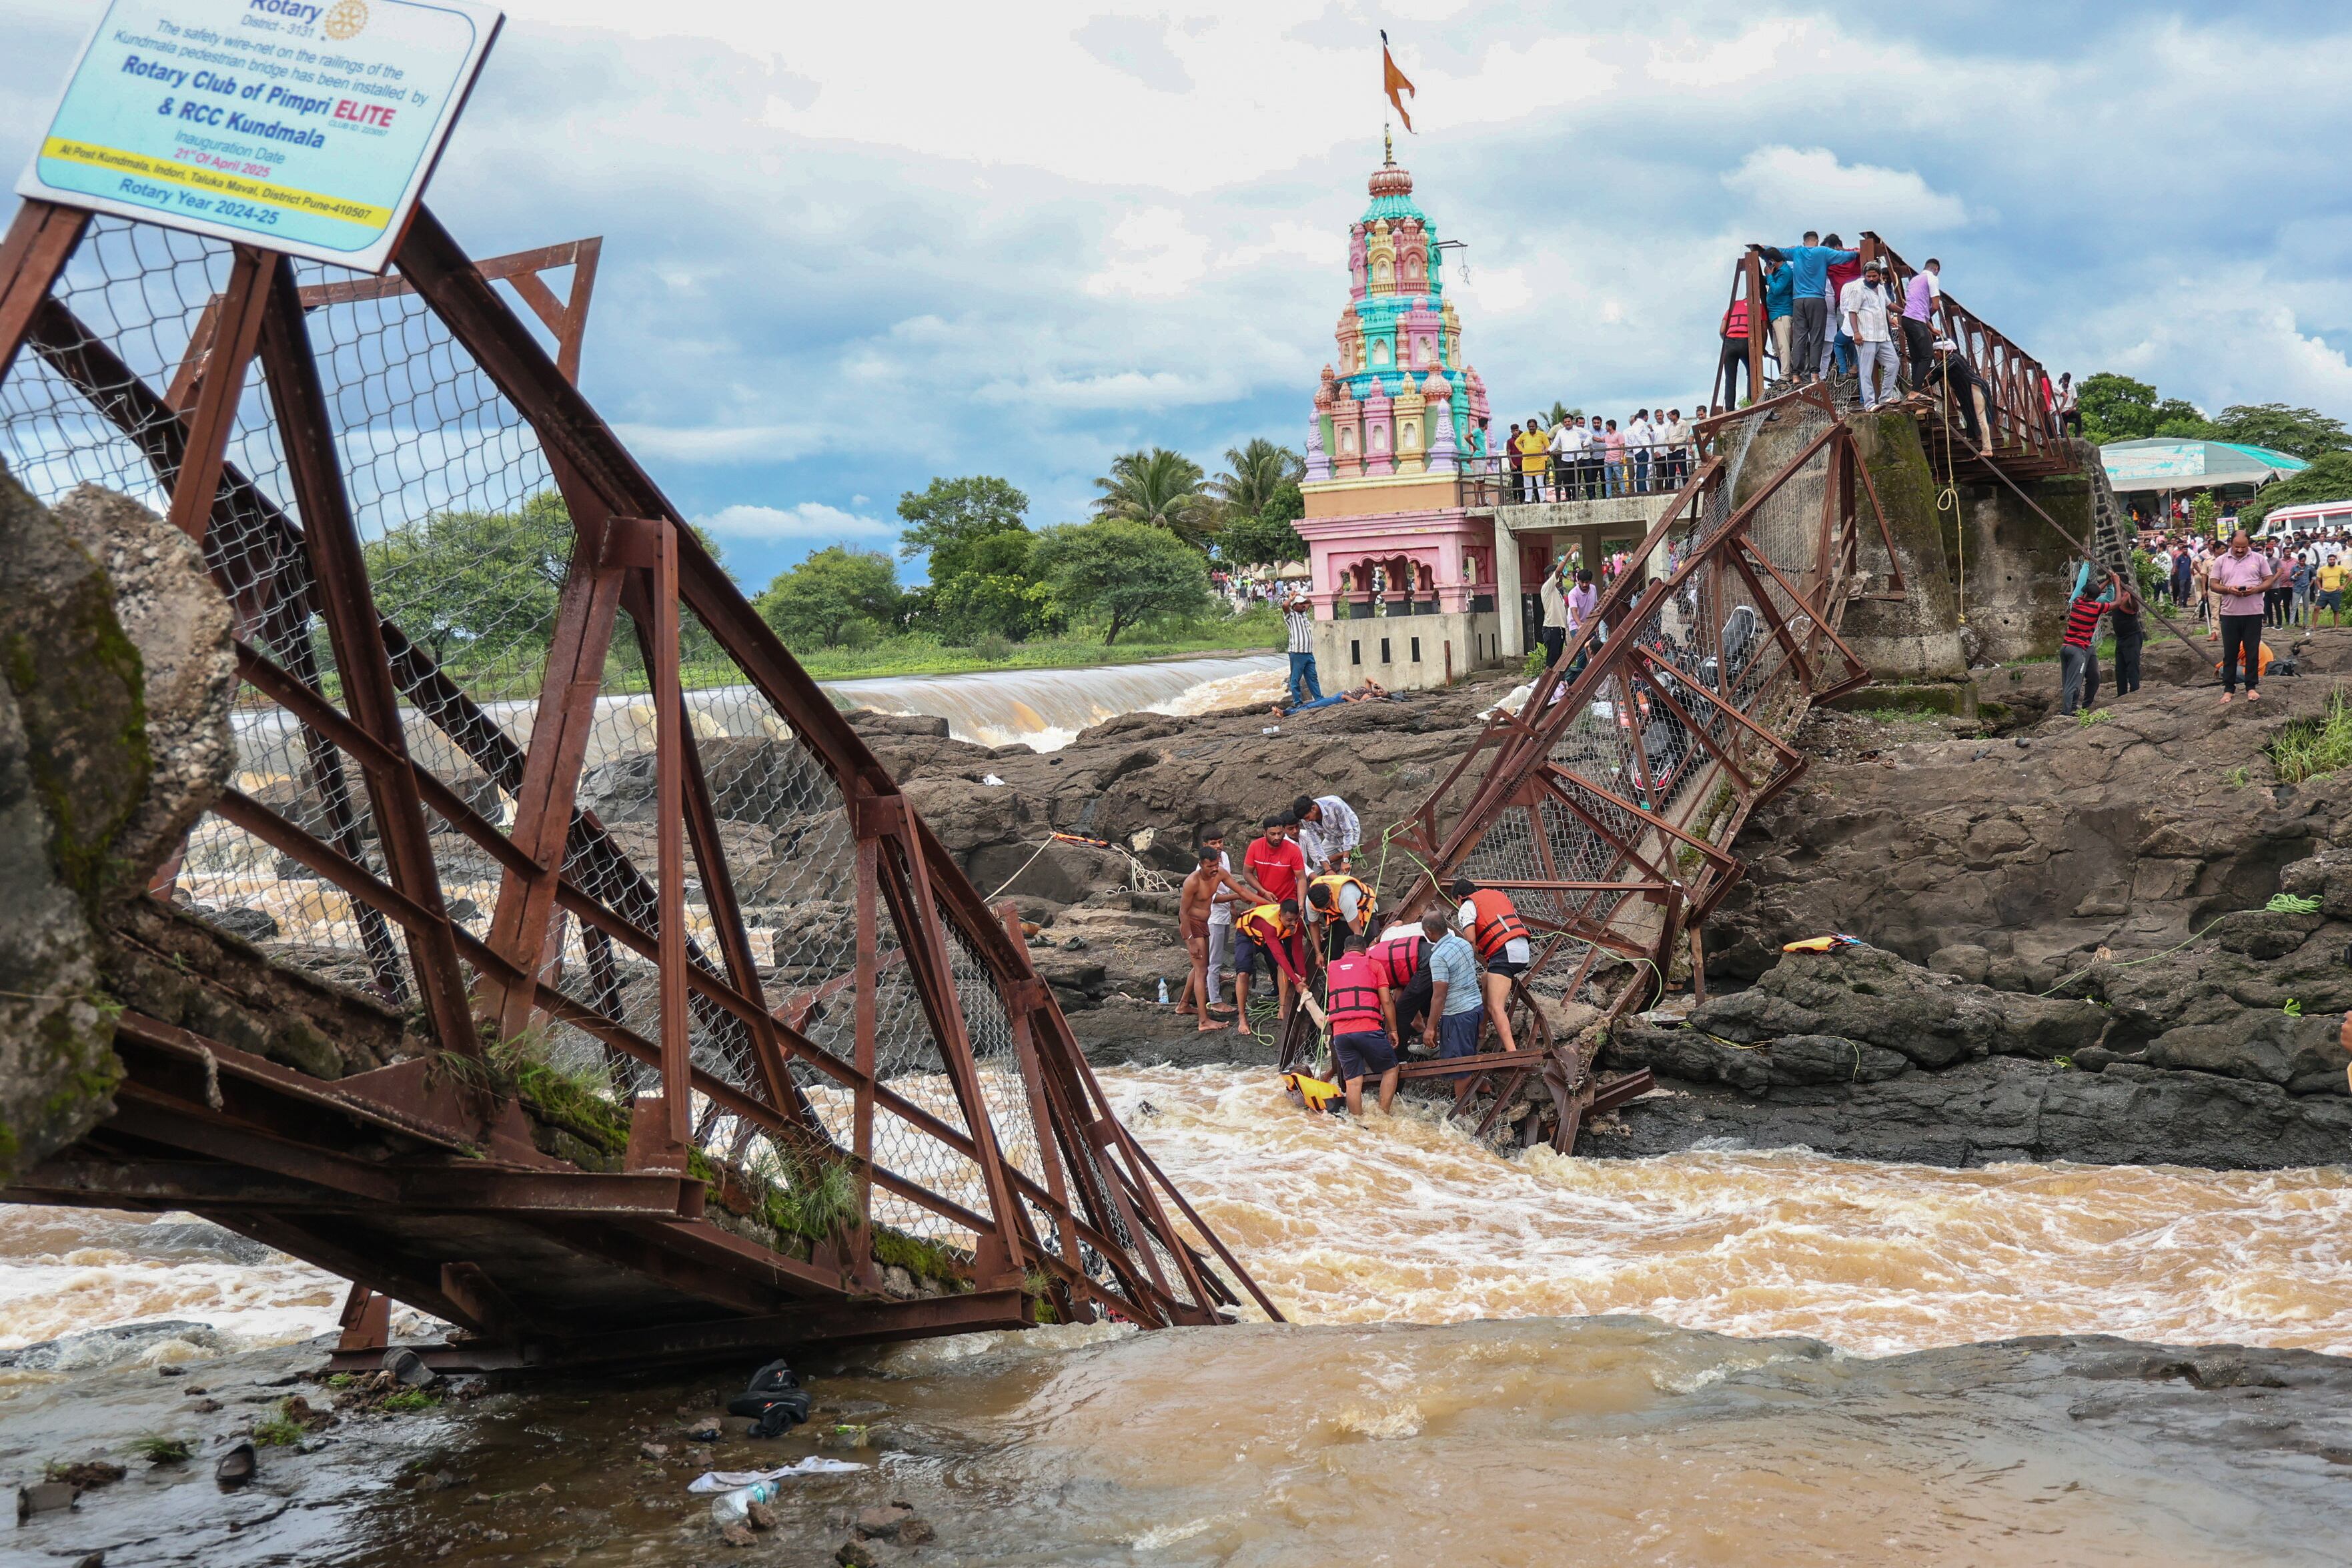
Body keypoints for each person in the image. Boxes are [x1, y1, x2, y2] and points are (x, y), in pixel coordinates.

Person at [1179, 846, 1265, 1032]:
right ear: (1201, 864)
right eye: (1210, 866)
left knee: (1201, 966)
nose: (1214, 869)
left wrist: (1268, 901)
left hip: (1204, 923)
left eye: (1216, 865)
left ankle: (1183, 1005)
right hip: (1192, 926)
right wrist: (1190, 941)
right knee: (1202, 971)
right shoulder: (1192, 882)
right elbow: (1183, 913)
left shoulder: (1220, 874)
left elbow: (1241, 890)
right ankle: (1203, 1021)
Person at [1322, 931, 1400, 1115]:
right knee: (1391, 1069)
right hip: (1368, 1029)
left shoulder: (1332, 967)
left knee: (1353, 1082)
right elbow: (1386, 1001)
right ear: (1365, 950)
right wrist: (1393, 1029)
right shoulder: (1374, 965)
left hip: (1340, 1033)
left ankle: (1357, 1123)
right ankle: (1383, 1115)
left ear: (1344, 951)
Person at [1768, 231, 1858, 387]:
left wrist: (1763, 248)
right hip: (1817, 299)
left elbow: (1777, 252)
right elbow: (1844, 257)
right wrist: (1856, 253)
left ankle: (1796, 375)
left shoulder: (1797, 251)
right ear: (1816, 242)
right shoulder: (1823, 252)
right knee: (1817, 338)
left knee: (1800, 338)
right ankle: (1815, 375)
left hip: (1798, 300)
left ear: (1804, 242)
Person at [1451, 878, 1528, 1054]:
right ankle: (1481, 1029)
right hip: (1522, 950)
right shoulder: (1497, 895)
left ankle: (1512, 1052)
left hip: (1504, 953)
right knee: (1486, 978)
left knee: (1495, 1006)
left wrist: (1468, 962)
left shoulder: (1467, 905)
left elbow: (1470, 939)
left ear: (1460, 898)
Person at [2211, 530, 2285, 704]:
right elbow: (2213, 584)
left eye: (2243, 547)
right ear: (2231, 543)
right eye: (2236, 547)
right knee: (2230, 653)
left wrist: (2256, 589)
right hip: (2229, 613)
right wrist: (2229, 589)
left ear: (2249, 544)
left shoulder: (2258, 559)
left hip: (2253, 613)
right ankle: (2229, 689)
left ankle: (2251, 687)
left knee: (2252, 651)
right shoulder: (2221, 560)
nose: (2240, 550)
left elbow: (2269, 580)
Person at [1420, 906, 1484, 1060]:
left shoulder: (1439, 957)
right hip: (1475, 1009)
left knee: (1457, 1065)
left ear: (1429, 931)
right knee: (1469, 1059)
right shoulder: (1463, 943)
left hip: (1457, 1016)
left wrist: (1430, 1028)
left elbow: (1439, 996)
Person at [1233, 898, 1307, 1025]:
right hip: (1248, 937)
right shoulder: (1269, 925)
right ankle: (1242, 1017)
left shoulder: (1297, 923)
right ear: (1280, 915)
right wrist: (1296, 982)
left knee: (1282, 967)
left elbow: (1297, 949)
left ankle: (1282, 1009)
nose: (1293, 923)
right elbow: (1280, 955)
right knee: (1243, 973)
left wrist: (1303, 974)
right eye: (1289, 920)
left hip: (1267, 939)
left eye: (1295, 919)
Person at [1367, 918, 1433, 1048]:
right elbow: (1398, 922)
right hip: (1428, 953)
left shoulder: (1369, 967)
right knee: (1423, 999)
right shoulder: (1385, 942)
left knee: (1401, 1012)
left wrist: (1391, 1026)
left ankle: (1401, 1053)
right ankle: (1431, 1040)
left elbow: (1386, 1001)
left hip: (1423, 962)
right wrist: (1376, 939)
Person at [1841, 259, 1898, 410]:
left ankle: (1885, 397)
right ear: (1864, 276)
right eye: (1868, 276)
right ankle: (1870, 404)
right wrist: (1856, 333)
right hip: (1866, 337)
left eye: (1874, 276)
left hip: (1883, 336)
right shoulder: (1858, 290)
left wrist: (1905, 311)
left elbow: (1889, 305)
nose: (1871, 279)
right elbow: (1852, 312)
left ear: (1879, 276)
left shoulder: (1881, 289)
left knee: (1893, 363)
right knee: (1866, 371)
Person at [2059, 568, 2115, 716]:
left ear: (2084, 594)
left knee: (2085, 678)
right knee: (2074, 683)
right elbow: (2116, 602)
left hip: (2073, 646)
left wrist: (2108, 582)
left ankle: (2080, 707)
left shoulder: (2077, 601)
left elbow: (2096, 593)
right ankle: (2067, 712)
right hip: (2078, 648)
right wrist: (2115, 582)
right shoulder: (2095, 607)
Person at [1304, 866, 1377, 962]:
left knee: (1369, 947)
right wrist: (1318, 954)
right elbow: (1314, 925)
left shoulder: (1345, 897)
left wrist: (1357, 959)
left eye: (1326, 906)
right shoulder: (1310, 901)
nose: (1324, 910)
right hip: (1339, 914)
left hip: (1363, 910)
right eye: (1321, 909)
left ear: (1330, 894)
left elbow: (1357, 931)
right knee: (1335, 953)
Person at [1244, 813, 1307, 909]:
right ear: (1264, 833)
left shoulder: (1293, 850)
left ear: (1283, 832)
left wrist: (1301, 903)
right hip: (1264, 901)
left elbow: (1302, 878)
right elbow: (1247, 873)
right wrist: (1263, 892)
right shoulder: (1255, 847)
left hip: (1288, 902)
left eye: (1280, 833)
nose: (1277, 838)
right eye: (1273, 834)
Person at [1821, 237, 1862, 379]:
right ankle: (1852, 367)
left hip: (1859, 304)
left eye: (1830, 250)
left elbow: (1867, 254)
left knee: (1857, 336)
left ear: (1838, 247)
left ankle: (1855, 366)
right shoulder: (1830, 263)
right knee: (1847, 337)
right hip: (1842, 306)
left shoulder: (1854, 255)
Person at [1900, 258, 1940, 389]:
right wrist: (1928, 317)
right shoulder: (1932, 278)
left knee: (1917, 357)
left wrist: (1931, 327)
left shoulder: (1914, 280)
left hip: (1906, 320)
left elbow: (1918, 308)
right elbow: (1935, 306)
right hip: (1917, 321)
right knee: (1928, 356)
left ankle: (1914, 389)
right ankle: (1915, 391)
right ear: (1936, 269)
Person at [1293, 794, 1360, 873]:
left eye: (1307, 818)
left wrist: (1345, 860)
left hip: (1350, 833)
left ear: (1313, 808)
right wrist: (1327, 869)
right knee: (1317, 870)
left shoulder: (1335, 805)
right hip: (1331, 836)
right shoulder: (1305, 817)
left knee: (1344, 872)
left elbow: (1348, 832)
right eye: (1304, 819)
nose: (1307, 821)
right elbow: (1315, 842)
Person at [1282, 590, 1322, 708]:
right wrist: (1292, 598)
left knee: (1312, 677)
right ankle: (1298, 702)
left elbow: (1309, 602)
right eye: (1300, 604)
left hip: (1308, 652)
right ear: (1294, 606)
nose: (1304, 605)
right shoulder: (1291, 616)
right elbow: (1285, 605)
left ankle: (1319, 699)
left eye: (1303, 604)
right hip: (1297, 652)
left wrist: (1300, 596)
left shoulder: (1304, 615)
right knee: (1296, 678)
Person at [1762, 253, 1795, 387]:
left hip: (1783, 312)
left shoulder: (1785, 272)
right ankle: (1789, 372)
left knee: (1783, 345)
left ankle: (1785, 375)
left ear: (1772, 261)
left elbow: (1777, 290)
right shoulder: (1778, 272)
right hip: (1776, 314)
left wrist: (1769, 275)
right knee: (1777, 347)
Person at [2111, 574, 2145, 697]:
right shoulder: (2117, 595)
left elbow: (2135, 608)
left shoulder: (2128, 596)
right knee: (2120, 669)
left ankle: (2134, 693)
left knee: (2132, 667)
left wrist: (2133, 595)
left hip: (2132, 637)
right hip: (2121, 638)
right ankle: (2122, 695)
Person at [1719, 290, 1752, 406]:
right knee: (1752, 373)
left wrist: (1729, 343)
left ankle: (1729, 408)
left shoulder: (1733, 306)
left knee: (1730, 378)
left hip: (1730, 342)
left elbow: (1722, 330)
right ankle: (1751, 403)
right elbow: (1763, 329)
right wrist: (1762, 348)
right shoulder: (1757, 307)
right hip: (1746, 342)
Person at [1539, 558, 1569, 666]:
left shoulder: (1556, 591)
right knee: (1552, 663)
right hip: (1552, 628)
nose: (1560, 575)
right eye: (1558, 573)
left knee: (1558, 662)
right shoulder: (1547, 587)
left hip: (1559, 628)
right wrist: (1569, 553)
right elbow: (1558, 571)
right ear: (1550, 575)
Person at [1515, 417, 1550, 504]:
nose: (1531, 428)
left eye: (1533, 426)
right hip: (1527, 461)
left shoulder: (1542, 434)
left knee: (1540, 482)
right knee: (1527, 483)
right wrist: (1523, 451)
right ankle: (1528, 500)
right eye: (1530, 427)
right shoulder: (1524, 435)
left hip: (1539, 461)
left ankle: (1543, 499)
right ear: (1527, 427)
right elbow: (1517, 442)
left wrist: (1545, 458)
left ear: (1536, 426)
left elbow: (1548, 446)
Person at [2318, 552, 2347, 628]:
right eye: (2330, 560)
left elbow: (2350, 576)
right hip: (2325, 592)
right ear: (2327, 560)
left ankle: (2336, 627)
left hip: (2336, 591)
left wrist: (2344, 586)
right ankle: (2313, 627)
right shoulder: (2322, 569)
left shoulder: (2340, 568)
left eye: (2334, 560)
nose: (2332, 561)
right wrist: (2320, 589)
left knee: (2336, 610)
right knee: (2317, 608)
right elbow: (2317, 580)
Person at [1602, 419, 1626, 496]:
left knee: (1619, 477)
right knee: (1608, 479)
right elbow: (1599, 440)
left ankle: (1623, 493)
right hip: (1607, 460)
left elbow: (1622, 447)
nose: (1605, 428)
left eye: (1606, 426)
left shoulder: (1619, 435)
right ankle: (1608, 496)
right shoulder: (1606, 436)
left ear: (1610, 427)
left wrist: (1621, 458)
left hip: (1616, 460)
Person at [2054, 371, 2081, 436]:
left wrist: (2072, 408)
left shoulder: (2072, 388)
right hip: (2061, 411)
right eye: (2065, 381)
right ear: (2062, 380)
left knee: (2078, 415)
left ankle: (2079, 434)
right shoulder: (2058, 388)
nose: (2066, 383)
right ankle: (2063, 435)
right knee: (2060, 424)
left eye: (2067, 381)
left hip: (2069, 410)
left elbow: (2076, 400)